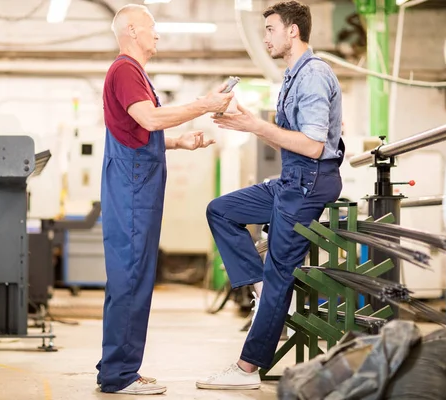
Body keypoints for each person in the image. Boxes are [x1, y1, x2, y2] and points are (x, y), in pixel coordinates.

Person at [196, 0, 345, 390]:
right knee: (221, 210)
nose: (266, 38)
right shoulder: (293, 76)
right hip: (292, 178)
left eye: (271, 29)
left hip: (310, 180)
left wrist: (255, 127)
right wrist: (246, 122)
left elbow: (313, 146)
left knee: (281, 271)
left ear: (292, 31)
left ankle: (248, 369)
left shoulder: (312, 75)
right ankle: (261, 287)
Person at [96, 4, 234, 396]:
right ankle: (119, 375)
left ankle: (117, 367)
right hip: (133, 186)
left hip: (133, 182)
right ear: (134, 31)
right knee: (131, 277)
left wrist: (179, 141)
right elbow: (151, 120)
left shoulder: (132, 73)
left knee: (133, 276)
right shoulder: (125, 70)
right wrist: (204, 105)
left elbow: (137, 130)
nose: (157, 35)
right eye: (152, 28)